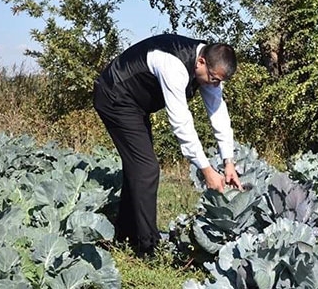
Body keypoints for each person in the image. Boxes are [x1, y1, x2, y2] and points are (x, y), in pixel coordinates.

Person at [93, 34, 243, 256]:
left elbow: (218, 113)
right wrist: (207, 170)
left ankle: (125, 235)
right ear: (201, 62)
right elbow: (182, 124)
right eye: (213, 79)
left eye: (219, 81)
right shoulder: (173, 65)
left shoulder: (208, 67)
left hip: (135, 105)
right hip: (114, 96)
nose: (215, 84)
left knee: (138, 169)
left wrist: (228, 161)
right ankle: (148, 248)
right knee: (146, 169)